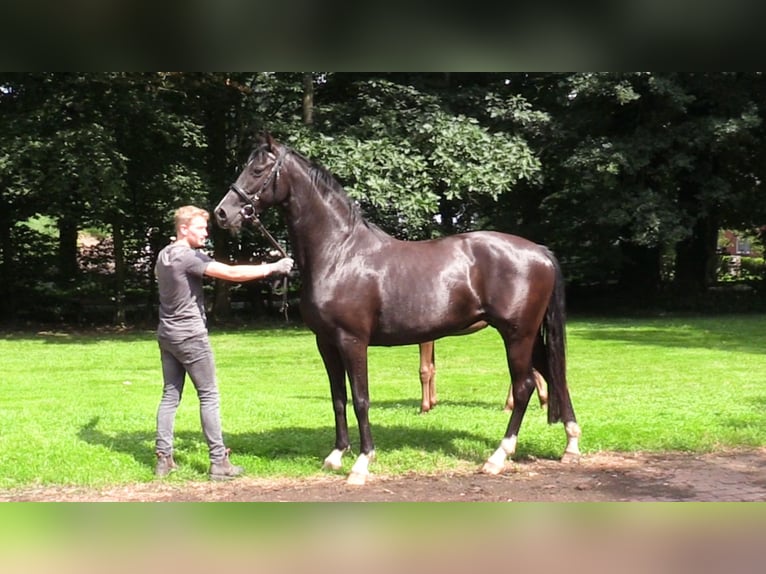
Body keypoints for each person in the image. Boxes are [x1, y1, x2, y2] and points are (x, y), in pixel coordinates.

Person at [154, 205, 294, 480]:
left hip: (167, 335)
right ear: (183, 229)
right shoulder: (187, 257)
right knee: (208, 395)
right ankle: (219, 462)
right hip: (191, 336)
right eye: (200, 228)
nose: (205, 232)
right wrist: (273, 268)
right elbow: (232, 274)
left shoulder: (164, 255)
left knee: (170, 396)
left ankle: (164, 460)